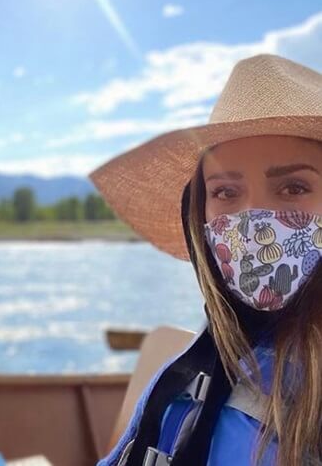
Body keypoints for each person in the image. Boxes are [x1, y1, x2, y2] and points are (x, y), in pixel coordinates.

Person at [87, 54, 322, 466]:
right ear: (199, 214)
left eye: (293, 188)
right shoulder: (182, 376)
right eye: (226, 193)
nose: (254, 221)